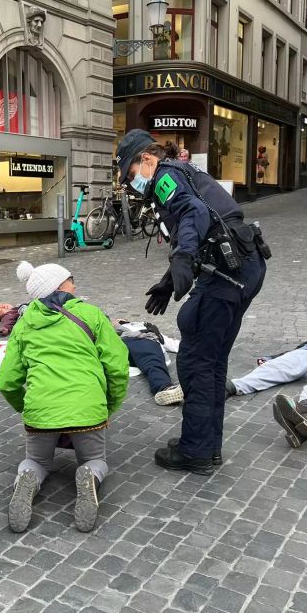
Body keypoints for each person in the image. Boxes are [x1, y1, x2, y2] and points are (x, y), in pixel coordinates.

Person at [115, 129, 267, 474]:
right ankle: (207, 445)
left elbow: (194, 214)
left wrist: (182, 258)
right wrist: (169, 282)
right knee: (212, 361)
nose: (130, 183)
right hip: (243, 267)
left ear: (147, 160)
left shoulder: (166, 177)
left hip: (228, 274)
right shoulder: (181, 172)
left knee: (196, 359)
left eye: (131, 174)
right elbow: (205, 227)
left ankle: (196, 450)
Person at [0, 261, 128, 533]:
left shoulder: (24, 324)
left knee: (38, 461)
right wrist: (109, 405)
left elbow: (8, 380)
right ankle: (90, 475)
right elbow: (117, 365)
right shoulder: (91, 314)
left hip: (40, 411)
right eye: (71, 280)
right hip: (87, 407)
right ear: (59, 287)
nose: (75, 285)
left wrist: (27, 408)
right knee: (95, 459)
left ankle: (27, 477)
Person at [112, 318, 182, 405]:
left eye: (120, 320)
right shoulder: (106, 327)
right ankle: (165, 388)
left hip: (143, 341)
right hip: (120, 343)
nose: (117, 320)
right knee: (151, 358)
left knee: (151, 360)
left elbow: (173, 344)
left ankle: (165, 389)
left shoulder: (147, 329)